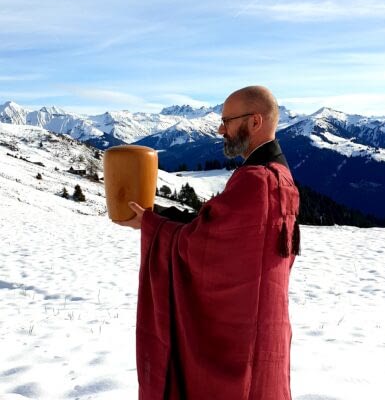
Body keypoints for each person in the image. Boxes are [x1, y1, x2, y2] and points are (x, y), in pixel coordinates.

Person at [115, 85, 300, 400]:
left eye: (228, 120)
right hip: (264, 327)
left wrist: (151, 225)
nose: (220, 129)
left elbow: (201, 246)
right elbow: (214, 227)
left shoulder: (256, 181)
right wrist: (157, 214)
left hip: (238, 339)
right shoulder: (278, 175)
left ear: (255, 122)